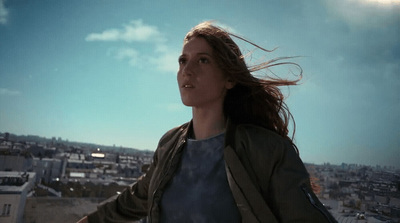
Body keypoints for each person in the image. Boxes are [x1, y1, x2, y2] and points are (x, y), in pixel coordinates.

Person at [77, 21, 337, 223]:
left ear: (229, 79)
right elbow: (138, 198)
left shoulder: (267, 151)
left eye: (203, 60)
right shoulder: (169, 144)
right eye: (183, 60)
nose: (187, 70)